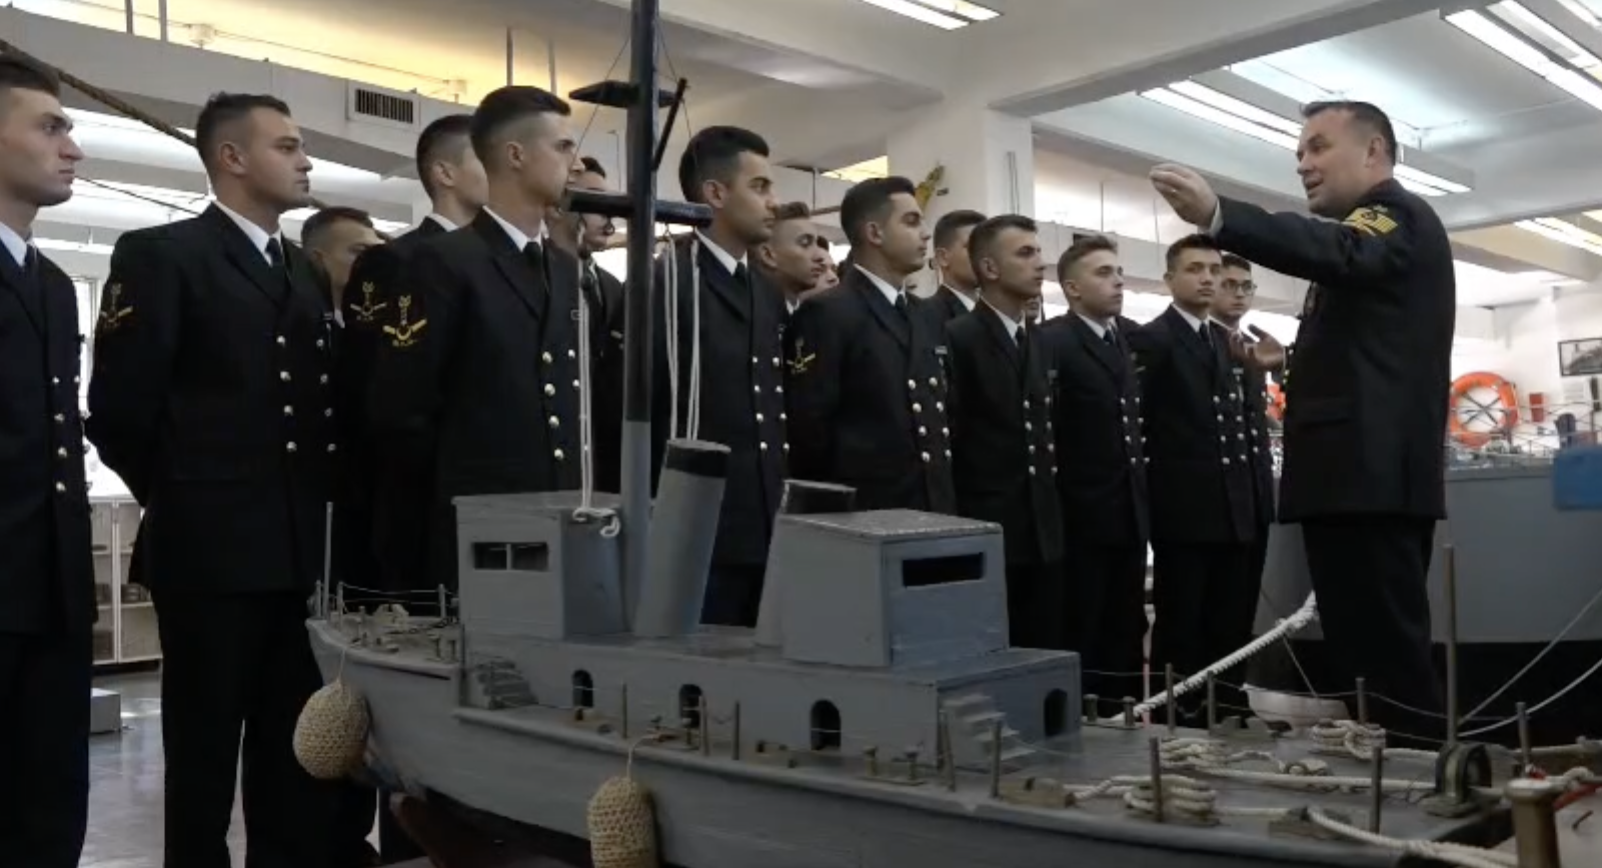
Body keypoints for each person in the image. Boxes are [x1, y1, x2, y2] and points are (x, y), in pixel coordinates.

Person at [86, 91, 348, 867]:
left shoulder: (301, 267)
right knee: (203, 749)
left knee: (291, 749)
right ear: (232, 157)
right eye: (287, 146)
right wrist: (189, 497)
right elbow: (120, 410)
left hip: (296, 553)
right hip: (209, 552)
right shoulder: (163, 255)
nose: (305, 161)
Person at [1152, 99, 1452, 739]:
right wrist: (1289, 365)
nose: (1303, 164)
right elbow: (1372, 355)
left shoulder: (1392, 216)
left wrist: (1219, 214)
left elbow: (1342, 252)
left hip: (1369, 481)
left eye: (1318, 147)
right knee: (1364, 653)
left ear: (1373, 151)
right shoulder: (1367, 240)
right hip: (1353, 479)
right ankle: (1394, 763)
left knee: (1386, 654)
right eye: (1299, 153)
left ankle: (1421, 771)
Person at [367, 85, 582, 593]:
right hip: (477, 520)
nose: (574, 164)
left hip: (560, 512)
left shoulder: (563, 268)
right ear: (515, 155)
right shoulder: (442, 261)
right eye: (562, 147)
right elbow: (404, 408)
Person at [0, 57, 92, 868]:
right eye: (50, 126)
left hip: (52, 586)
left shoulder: (55, 284)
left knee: (49, 804)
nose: (72, 148)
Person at [347, 114, 485, 617]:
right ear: (444, 173)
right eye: (484, 158)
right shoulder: (396, 260)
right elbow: (377, 392)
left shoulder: (504, 264)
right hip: (422, 502)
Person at [653, 125, 785, 628]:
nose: (773, 202)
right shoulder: (669, 280)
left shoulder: (764, 290)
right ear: (715, 193)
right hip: (700, 523)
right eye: (760, 187)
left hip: (763, 518)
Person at [1127, 234, 1261, 722]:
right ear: (1169, 279)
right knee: (1182, 617)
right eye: (1194, 270)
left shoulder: (1225, 341)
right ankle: (1178, 708)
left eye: (1213, 270)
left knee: (1229, 616)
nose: (1207, 279)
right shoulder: (1154, 339)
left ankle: (1225, 703)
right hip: (1183, 507)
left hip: (1231, 506)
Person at [785, 176, 955, 513]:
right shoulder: (829, 313)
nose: (925, 234)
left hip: (932, 508)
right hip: (868, 514)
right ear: (874, 233)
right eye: (911, 221)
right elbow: (810, 433)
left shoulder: (924, 315)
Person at [1039, 235, 1149, 715]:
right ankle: (1087, 718)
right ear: (1073, 288)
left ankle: (1126, 712)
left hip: (1127, 512)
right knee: (1084, 623)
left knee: (1126, 625)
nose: (1118, 281)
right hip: (1081, 514)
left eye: (1118, 272)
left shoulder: (1122, 340)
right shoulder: (1054, 341)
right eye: (1103, 273)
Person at [944, 215, 1064, 649]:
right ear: (990, 268)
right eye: (1025, 253)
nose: (1040, 263)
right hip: (990, 524)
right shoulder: (959, 337)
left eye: (1039, 252)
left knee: (1044, 644)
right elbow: (955, 436)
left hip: (1043, 530)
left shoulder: (1037, 340)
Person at [549, 155, 627, 493]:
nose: (607, 213)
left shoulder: (613, 286)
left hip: (604, 456)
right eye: (593, 200)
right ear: (557, 207)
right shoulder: (538, 277)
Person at [1210, 253, 1277, 594]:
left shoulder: (1254, 348)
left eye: (1246, 287)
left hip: (1255, 497)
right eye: (1229, 285)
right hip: (1215, 504)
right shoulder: (1201, 343)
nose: (1239, 294)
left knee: (1245, 603)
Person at [757, 200, 830, 316]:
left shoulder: (805, 316)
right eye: (805, 243)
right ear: (768, 255)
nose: (820, 256)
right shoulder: (752, 319)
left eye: (816, 243)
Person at [920, 208, 984, 330]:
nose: (985, 255)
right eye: (973, 246)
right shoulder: (925, 315)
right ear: (943, 257)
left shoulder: (995, 315)